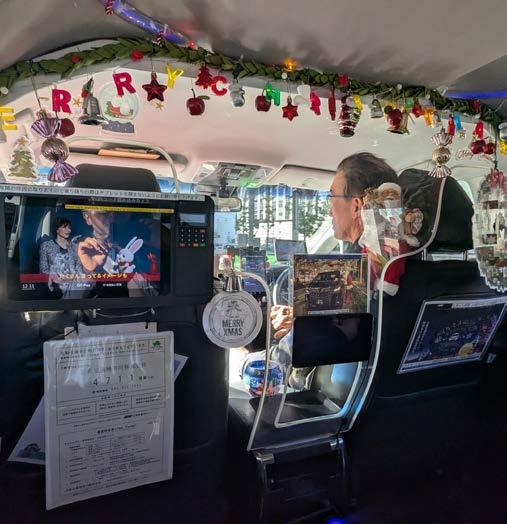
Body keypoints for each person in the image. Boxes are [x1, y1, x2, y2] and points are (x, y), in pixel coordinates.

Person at [272, 152, 399, 340]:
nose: (329, 210)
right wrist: (301, 318)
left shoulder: (351, 271)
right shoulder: (409, 261)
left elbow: (328, 338)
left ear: (356, 206)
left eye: (331, 196)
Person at [74, 210, 121, 274]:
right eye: (102, 213)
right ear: (87, 217)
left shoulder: (122, 245)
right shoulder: (76, 248)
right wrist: (88, 269)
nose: (111, 218)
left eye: (113, 213)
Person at [39, 217, 80, 290]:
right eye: (64, 227)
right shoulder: (46, 246)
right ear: (57, 229)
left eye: (69, 227)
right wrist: (56, 279)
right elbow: (43, 270)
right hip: (55, 287)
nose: (69, 230)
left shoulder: (75, 247)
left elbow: (79, 267)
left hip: (74, 287)